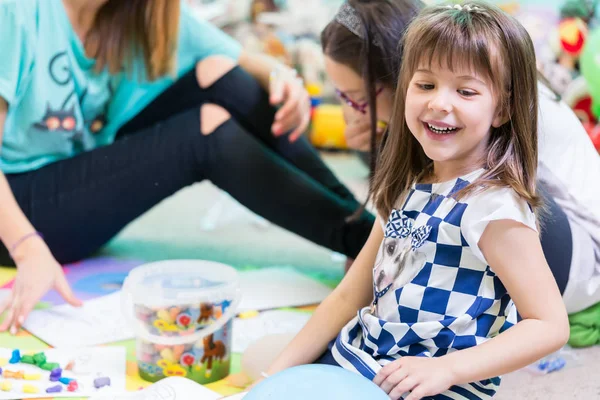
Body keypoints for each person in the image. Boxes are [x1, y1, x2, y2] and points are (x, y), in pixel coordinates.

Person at [0, 0, 375, 334]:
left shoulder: (135, 12)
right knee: (204, 130)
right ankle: (367, 242)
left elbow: (241, 60)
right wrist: (28, 250)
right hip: (17, 217)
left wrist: (282, 77)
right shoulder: (17, 11)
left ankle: (366, 230)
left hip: (70, 175)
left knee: (219, 75)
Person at [262, 3, 569, 398]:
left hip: (430, 385)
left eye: (466, 91)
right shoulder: (406, 183)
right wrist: (272, 377)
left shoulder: (493, 208)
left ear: (503, 109)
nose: (440, 102)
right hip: (363, 358)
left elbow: (549, 324)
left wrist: (446, 369)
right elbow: (348, 296)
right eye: (425, 85)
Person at [323, 0, 600, 314]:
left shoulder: (494, 100)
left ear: (399, 75)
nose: (353, 113)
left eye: (358, 101)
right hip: (548, 238)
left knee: (469, 185)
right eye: (343, 98)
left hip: (578, 263)